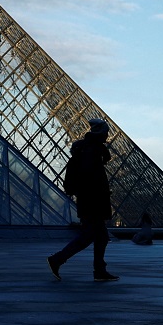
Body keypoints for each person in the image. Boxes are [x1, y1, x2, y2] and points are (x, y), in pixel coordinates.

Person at [48, 118, 118, 281]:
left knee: (100, 237)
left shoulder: (88, 149)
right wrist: (99, 194)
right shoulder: (91, 151)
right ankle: (58, 259)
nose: (107, 136)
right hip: (92, 202)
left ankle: (99, 270)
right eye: (106, 132)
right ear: (101, 133)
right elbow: (91, 179)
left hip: (90, 200)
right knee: (89, 236)